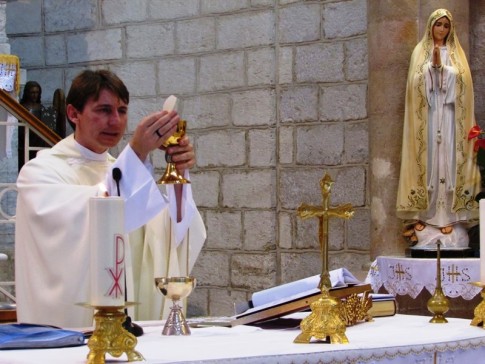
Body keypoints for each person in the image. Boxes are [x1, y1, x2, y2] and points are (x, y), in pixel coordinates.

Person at [15, 70, 206, 328]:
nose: (115, 121)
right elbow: (99, 212)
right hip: (70, 336)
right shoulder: (41, 173)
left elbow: (169, 235)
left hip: (130, 331)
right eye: (103, 110)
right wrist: (137, 152)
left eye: (122, 111)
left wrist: (179, 175)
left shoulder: (125, 172)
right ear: (73, 114)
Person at [396, 9, 481, 249]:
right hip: (430, 118)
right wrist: (430, 70)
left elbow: (464, 85)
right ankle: (429, 216)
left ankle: (450, 219)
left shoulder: (457, 54)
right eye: (438, 25)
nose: (442, 30)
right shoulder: (419, 52)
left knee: (450, 164)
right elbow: (415, 86)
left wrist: (444, 70)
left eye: (445, 26)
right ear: (431, 27)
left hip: (451, 118)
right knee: (430, 164)